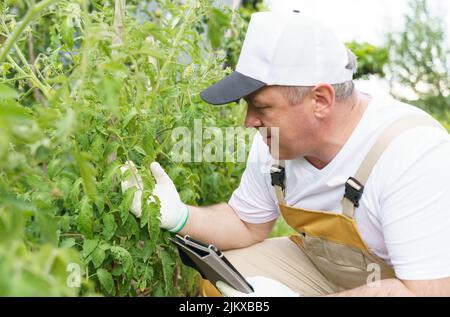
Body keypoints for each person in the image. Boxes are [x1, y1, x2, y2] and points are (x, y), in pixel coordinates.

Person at [121, 10, 450, 296]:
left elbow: (428, 291)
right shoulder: (274, 145)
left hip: (410, 283)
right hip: (324, 272)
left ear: (320, 100)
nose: (249, 122)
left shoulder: (410, 153)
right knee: (227, 280)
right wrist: (180, 216)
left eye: (261, 107)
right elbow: (246, 223)